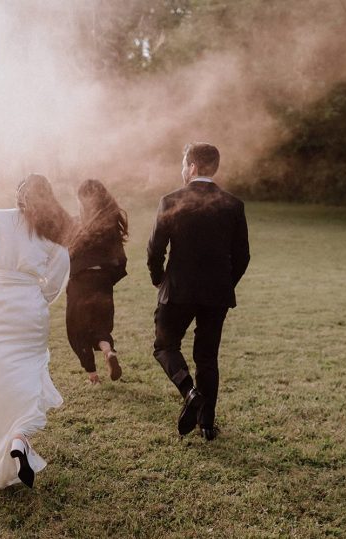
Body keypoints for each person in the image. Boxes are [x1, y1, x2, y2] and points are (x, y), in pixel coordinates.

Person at [0, 174, 71, 489]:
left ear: (18, 195)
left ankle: (3, 439)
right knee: (28, 376)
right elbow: (59, 275)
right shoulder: (52, 234)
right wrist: (35, 299)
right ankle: (19, 438)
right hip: (30, 312)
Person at [147, 143, 250, 440]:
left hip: (178, 289)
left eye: (183, 163)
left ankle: (188, 391)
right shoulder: (233, 204)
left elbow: (155, 249)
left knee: (164, 346)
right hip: (216, 293)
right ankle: (206, 426)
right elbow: (242, 256)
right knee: (207, 357)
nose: (182, 169)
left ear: (192, 167)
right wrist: (224, 284)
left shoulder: (170, 200)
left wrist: (158, 279)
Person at [66, 179, 128, 385]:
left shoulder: (75, 224)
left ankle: (93, 376)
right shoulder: (110, 226)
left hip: (79, 282)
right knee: (100, 325)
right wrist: (108, 279)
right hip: (102, 281)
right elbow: (121, 260)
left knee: (77, 330)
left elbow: (64, 257)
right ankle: (108, 352)